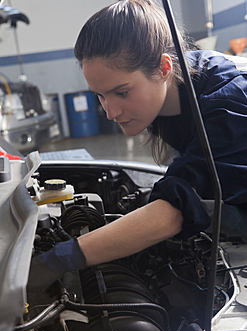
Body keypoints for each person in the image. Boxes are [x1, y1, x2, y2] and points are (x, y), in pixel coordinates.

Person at [28, 0, 247, 291]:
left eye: (121, 92)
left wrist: (56, 261)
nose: (110, 112)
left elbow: (175, 211)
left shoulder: (226, 104)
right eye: (100, 95)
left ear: (164, 68)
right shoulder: (175, 86)